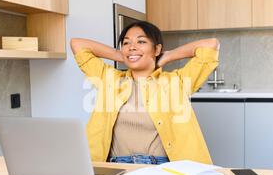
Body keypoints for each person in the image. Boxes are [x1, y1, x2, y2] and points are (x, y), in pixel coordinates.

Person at [70, 21, 219, 165]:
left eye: (141, 42)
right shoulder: (109, 79)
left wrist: (167, 56)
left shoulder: (176, 82)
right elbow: (77, 44)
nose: (132, 47)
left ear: (157, 49)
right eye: (126, 43)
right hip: (117, 167)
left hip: (161, 169)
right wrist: (123, 56)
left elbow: (211, 45)